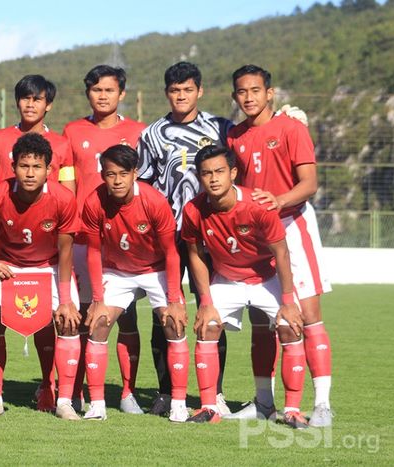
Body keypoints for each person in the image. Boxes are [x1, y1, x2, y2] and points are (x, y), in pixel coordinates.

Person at [227, 64, 333, 427]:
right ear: (235, 96)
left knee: (308, 315)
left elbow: (310, 183)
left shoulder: (291, 127)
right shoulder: (234, 136)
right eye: (242, 91)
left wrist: (279, 199)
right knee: (262, 319)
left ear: (270, 93)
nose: (249, 97)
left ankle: (321, 404)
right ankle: (263, 402)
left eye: (255, 90)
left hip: (293, 225)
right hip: (256, 234)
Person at [181, 145, 308, 429]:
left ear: (233, 173)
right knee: (206, 326)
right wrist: (205, 301)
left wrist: (288, 300)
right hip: (226, 279)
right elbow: (195, 255)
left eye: (219, 172)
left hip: (266, 278)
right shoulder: (193, 210)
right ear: (199, 177)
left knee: (290, 326)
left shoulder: (258, 206)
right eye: (206, 173)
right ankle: (209, 407)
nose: (213, 179)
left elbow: (281, 253)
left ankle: (292, 410)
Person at [0, 75, 75, 412]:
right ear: (12, 166)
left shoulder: (61, 160)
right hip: (7, 258)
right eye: (23, 166)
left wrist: (67, 295)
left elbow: (66, 237)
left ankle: (57, 393)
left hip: (47, 260)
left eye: (37, 98)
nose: (30, 172)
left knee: (58, 321)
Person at [137, 61, 231, 416]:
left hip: (210, 234)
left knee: (211, 310)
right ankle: (164, 391)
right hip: (169, 236)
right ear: (166, 93)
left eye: (187, 90)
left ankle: (216, 392)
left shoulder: (220, 128)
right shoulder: (152, 134)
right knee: (164, 313)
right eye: (175, 91)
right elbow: (143, 185)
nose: (181, 96)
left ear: (199, 91)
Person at [62, 65, 147, 414]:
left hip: (123, 239)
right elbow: (67, 181)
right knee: (86, 316)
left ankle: (127, 392)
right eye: (96, 90)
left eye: (109, 90)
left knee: (126, 318)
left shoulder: (139, 132)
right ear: (88, 93)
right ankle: (81, 389)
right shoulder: (72, 131)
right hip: (84, 237)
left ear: (121, 94)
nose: (102, 96)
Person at [81, 144, 187, 421]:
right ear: (103, 175)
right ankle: (97, 405)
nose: (116, 181)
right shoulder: (94, 202)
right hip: (117, 272)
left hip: (156, 270)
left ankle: (178, 404)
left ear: (135, 173)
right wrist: (97, 299)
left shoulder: (154, 201)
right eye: (110, 174)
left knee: (173, 324)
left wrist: (175, 300)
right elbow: (93, 251)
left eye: (123, 174)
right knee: (99, 322)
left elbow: (171, 252)